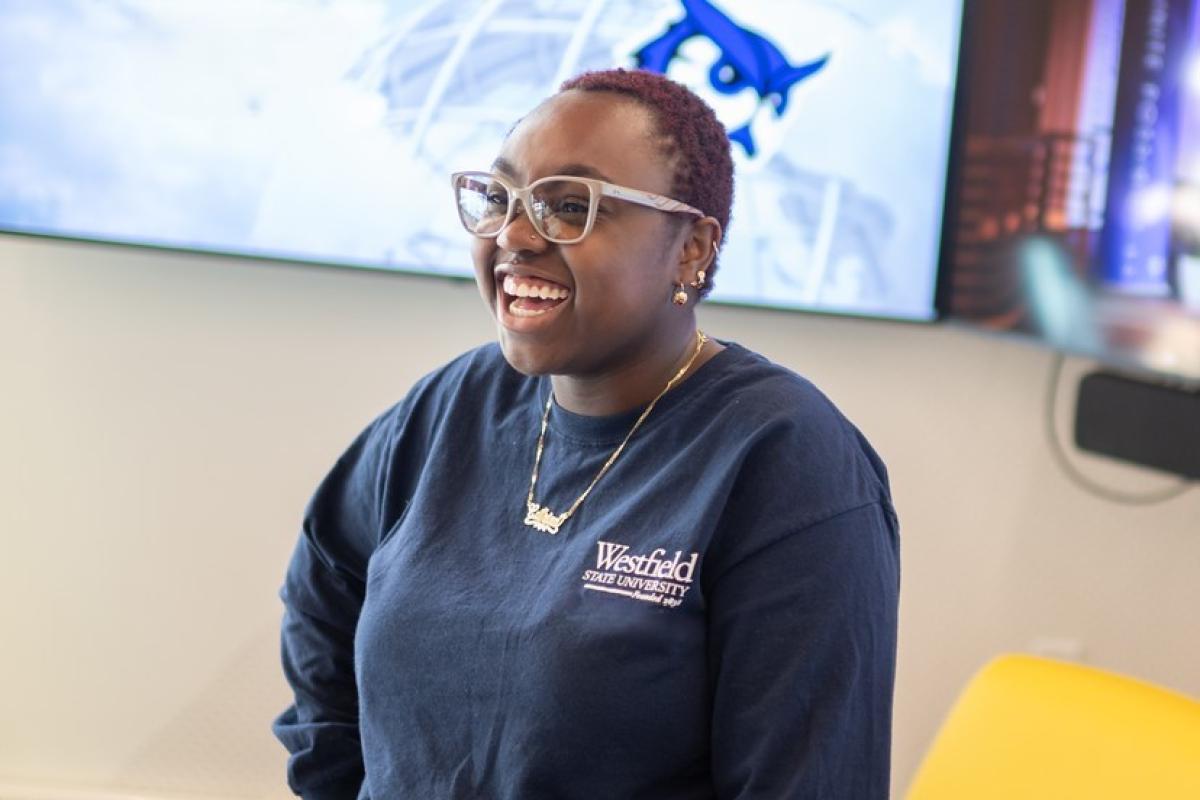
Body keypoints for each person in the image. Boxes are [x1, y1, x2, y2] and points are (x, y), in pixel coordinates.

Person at [273, 68, 900, 799]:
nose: (513, 236)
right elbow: (325, 576)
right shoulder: (455, 405)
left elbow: (806, 778)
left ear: (692, 249)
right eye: (499, 197)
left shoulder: (785, 459)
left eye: (570, 207)